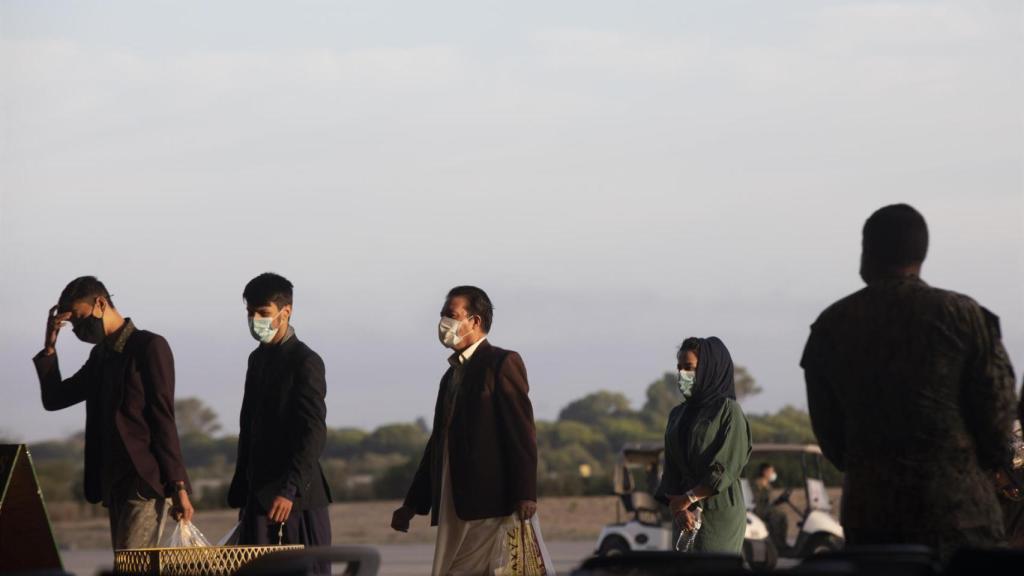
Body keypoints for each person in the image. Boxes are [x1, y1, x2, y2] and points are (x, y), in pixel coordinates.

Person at [801, 204, 1017, 562]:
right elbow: (998, 422)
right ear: (920, 253)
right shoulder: (964, 316)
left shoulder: (831, 326)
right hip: (961, 519)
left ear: (867, 252)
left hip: (872, 524)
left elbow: (831, 437)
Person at [33, 276, 193, 550]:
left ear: (100, 304)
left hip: (143, 480)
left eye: (80, 319)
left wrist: (179, 486)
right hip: (112, 481)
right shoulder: (101, 356)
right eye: (72, 324)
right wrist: (50, 347)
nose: (78, 329)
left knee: (135, 564)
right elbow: (56, 398)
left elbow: (163, 416)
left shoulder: (149, 346)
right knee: (126, 564)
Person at [391, 286, 538, 576]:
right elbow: (438, 444)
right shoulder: (451, 375)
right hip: (453, 502)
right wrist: (412, 504)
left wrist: (526, 493)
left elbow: (521, 433)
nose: (444, 322)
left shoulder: (501, 363)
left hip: (490, 503)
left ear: (475, 321)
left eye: (451, 315)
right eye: (443, 315)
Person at [227, 273, 332, 548]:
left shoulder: (305, 361)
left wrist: (289, 490)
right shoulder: (256, 359)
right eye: (250, 313)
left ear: (286, 311)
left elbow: (313, 433)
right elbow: (249, 426)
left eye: (263, 312)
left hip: (295, 501)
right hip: (257, 498)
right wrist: (242, 490)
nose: (254, 320)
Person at [656, 336, 752, 554]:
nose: (682, 375)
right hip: (683, 517)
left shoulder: (729, 412)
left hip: (718, 515)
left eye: (689, 368)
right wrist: (679, 510)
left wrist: (689, 498)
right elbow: (670, 471)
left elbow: (725, 468)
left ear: (709, 369)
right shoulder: (677, 415)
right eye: (679, 368)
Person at [751, 462, 789, 551]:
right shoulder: (758, 483)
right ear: (765, 472)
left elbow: (768, 500)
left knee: (781, 515)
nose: (773, 473)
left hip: (765, 508)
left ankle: (780, 542)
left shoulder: (767, 484)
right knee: (780, 516)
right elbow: (757, 499)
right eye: (771, 471)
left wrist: (777, 501)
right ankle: (777, 544)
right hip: (759, 509)